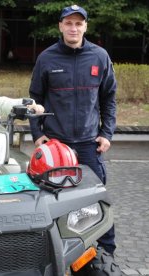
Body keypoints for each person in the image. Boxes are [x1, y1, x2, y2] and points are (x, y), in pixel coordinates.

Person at [28, 5, 118, 257]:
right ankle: (55, 253)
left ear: (85, 27)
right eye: (69, 23)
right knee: (52, 202)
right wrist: (37, 134)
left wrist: (107, 133)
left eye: (78, 23)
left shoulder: (100, 56)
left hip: (90, 145)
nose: (73, 28)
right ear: (60, 26)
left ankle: (105, 254)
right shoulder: (47, 58)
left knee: (97, 200)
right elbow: (34, 98)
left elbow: (109, 97)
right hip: (56, 146)